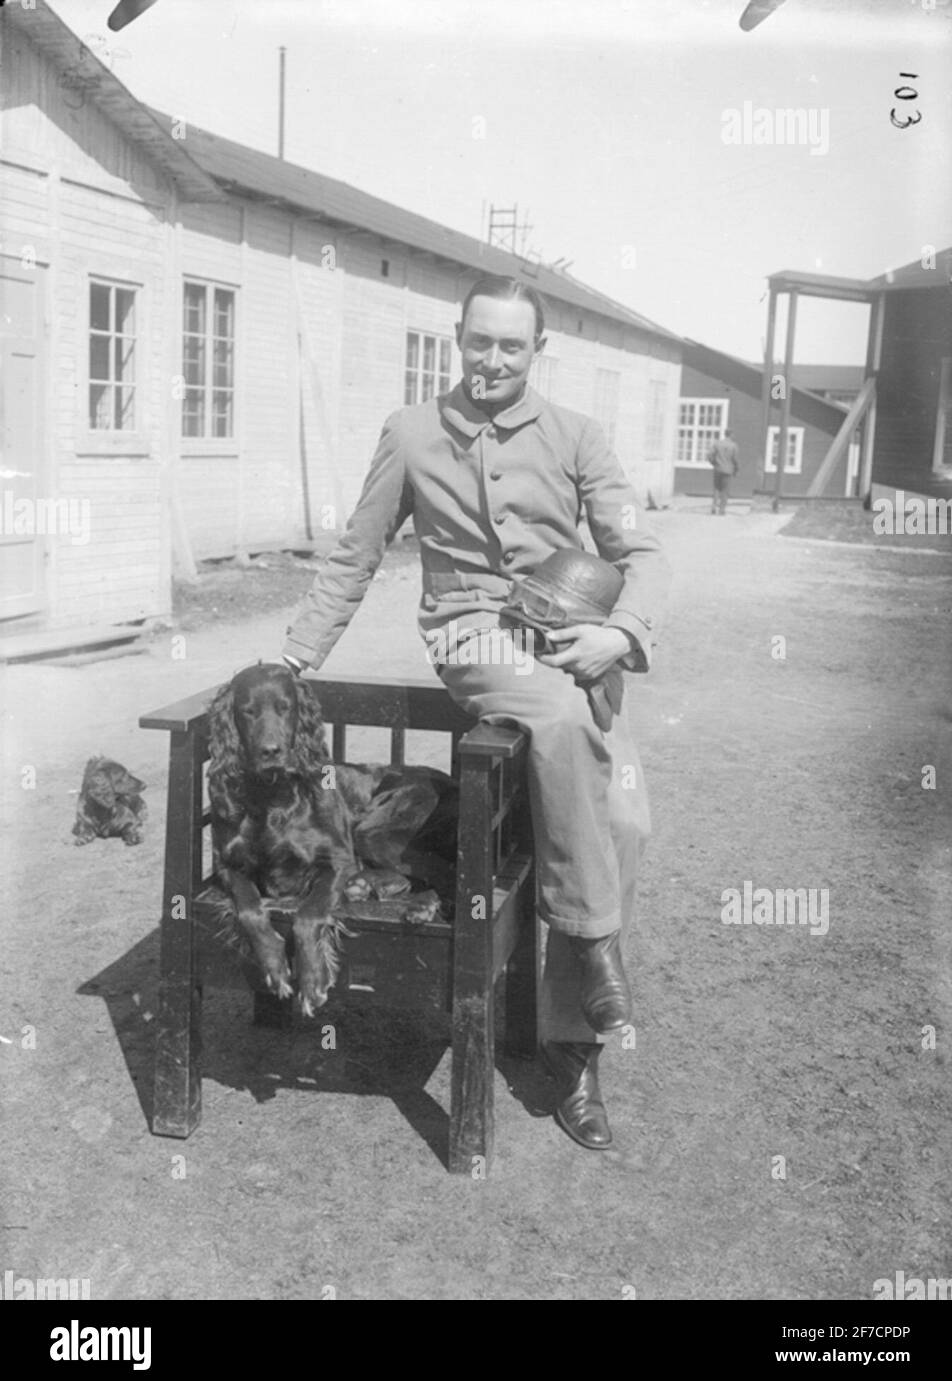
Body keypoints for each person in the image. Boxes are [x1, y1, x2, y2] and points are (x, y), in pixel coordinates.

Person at [281, 274, 669, 1150]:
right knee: (563, 726)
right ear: (458, 340)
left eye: (511, 346)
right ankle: (593, 953)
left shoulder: (578, 436)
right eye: (479, 343)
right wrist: (296, 655)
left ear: (538, 351)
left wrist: (623, 632)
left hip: (575, 644)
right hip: (475, 637)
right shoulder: (412, 434)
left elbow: (641, 550)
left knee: (627, 817)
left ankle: (569, 1045)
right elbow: (356, 551)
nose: (493, 360)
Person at [708, 428, 739, 514]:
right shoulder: (734, 446)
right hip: (728, 470)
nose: (734, 436)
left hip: (718, 469)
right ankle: (722, 509)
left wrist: (714, 463)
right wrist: (736, 469)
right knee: (725, 490)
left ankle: (713, 507)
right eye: (733, 435)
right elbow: (735, 459)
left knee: (716, 488)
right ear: (731, 435)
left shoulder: (717, 443)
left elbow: (709, 455)